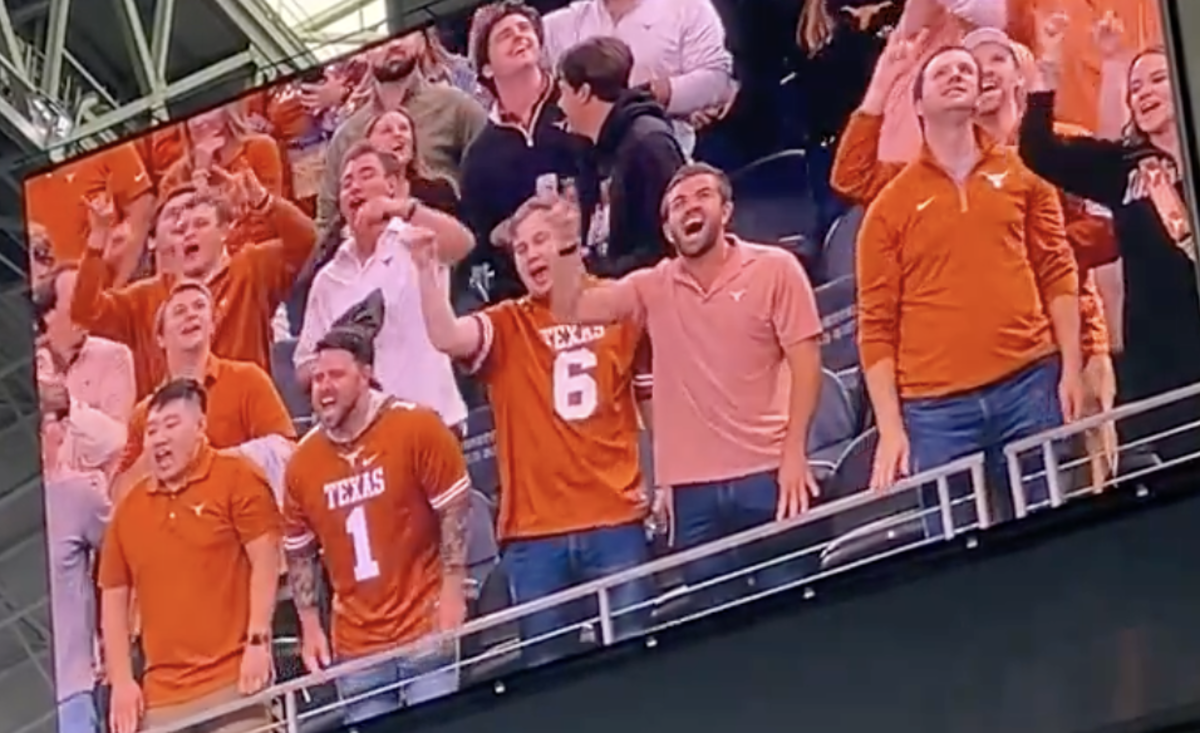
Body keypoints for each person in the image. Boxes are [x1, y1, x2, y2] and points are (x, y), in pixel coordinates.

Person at [829, 29, 1119, 486]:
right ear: (919, 105)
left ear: (1017, 76)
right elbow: (877, 322)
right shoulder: (896, 198)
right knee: (961, 543)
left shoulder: (1038, 162)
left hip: (1038, 374)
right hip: (938, 405)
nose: (968, 72)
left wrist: (1072, 358)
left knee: (1069, 516)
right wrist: (882, 84)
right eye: (946, 69)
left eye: (979, 64)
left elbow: (1064, 263)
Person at [548, 162, 823, 605]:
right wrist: (564, 244)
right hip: (693, 497)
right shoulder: (653, 286)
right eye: (677, 204)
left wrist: (794, 454)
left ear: (727, 209)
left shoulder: (776, 269)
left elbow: (807, 363)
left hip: (768, 474)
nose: (689, 209)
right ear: (668, 229)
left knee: (790, 609)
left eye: (701, 197)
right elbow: (569, 309)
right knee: (716, 632)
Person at [415, 192, 654, 666]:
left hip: (616, 519)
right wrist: (426, 270)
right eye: (520, 249)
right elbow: (446, 336)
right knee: (548, 678)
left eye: (540, 241)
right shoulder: (507, 324)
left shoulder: (619, 306)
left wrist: (659, 478)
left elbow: (651, 397)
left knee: (637, 664)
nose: (530, 256)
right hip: (536, 534)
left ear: (570, 243)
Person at [1019, 15, 1200, 460]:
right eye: (1135, 89)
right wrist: (1049, 71)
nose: (1145, 94)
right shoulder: (1123, 166)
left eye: (1157, 80)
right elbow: (1039, 150)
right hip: (1164, 362)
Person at [282, 328, 470, 727]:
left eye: (336, 375)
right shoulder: (302, 462)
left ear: (366, 375)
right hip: (356, 647)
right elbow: (298, 549)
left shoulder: (417, 426)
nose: (324, 388)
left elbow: (454, 508)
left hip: (424, 627)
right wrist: (311, 627)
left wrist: (453, 590)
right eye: (317, 378)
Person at [98, 378, 281, 733]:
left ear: (201, 427)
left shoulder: (237, 477)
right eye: (151, 431)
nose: (159, 438)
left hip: (234, 682)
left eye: (171, 425)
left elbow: (266, 559)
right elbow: (113, 596)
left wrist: (258, 640)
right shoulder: (128, 510)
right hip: (163, 699)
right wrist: (121, 680)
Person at [70, 168, 318, 385]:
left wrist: (263, 201)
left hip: (240, 418)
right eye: (181, 228)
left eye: (199, 224)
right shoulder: (144, 297)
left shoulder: (251, 268)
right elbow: (85, 312)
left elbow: (309, 244)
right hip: (169, 423)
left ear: (224, 231)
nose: (188, 233)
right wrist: (96, 243)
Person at [295, 142, 472, 430]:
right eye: (347, 183)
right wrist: (340, 357)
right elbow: (304, 366)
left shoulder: (417, 238)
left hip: (433, 423)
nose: (355, 187)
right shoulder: (327, 279)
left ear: (392, 186)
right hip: (365, 437)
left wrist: (401, 209)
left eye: (366, 175)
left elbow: (463, 244)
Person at [459, 0, 593, 307]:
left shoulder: (580, 101)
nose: (519, 36)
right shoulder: (478, 158)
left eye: (524, 28)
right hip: (527, 298)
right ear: (486, 67)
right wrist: (503, 234)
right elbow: (479, 244)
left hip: (599, 270)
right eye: (504, 34)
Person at [116, 280, 295, 483]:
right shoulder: (144, 414)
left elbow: (286, 452)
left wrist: (207, 463)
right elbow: (119, 497)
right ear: (160, 338)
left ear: (212, 326)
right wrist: (152, 458)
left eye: (199, 306)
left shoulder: (248, 379)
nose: (190, 314)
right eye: (179, 311)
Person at [316, 29, 487, 240]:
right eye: (380, 38)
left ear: (421, 41)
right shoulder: (346, 135)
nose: (393, 43)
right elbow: (326, 223)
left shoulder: (457, 107)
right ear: (365, 53)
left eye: (403, 32)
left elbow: (491, 179)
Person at [557, 35, 686, 276]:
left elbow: (666, 247)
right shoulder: (589, 150)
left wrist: (602, 274)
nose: (560, 104)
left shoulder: (649, 145)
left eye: (563, 92)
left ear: (584, 93)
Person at [542, 0, 737, 157]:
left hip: (661, 153)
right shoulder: (566, 22)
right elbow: (523, 56)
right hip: (580, 162)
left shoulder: (688, 8)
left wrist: (658, 93)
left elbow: (715, 77)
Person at [43, 406, 111, 733]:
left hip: (72, 691)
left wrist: (113, 643)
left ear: (61, 428)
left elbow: (120, 564)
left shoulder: (80, 494)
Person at [33, 265, 136, 476]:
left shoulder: (114, 357)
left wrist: (69, 406)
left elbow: (118, 441)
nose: (86, 309)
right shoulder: (22, 366)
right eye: (77, 301)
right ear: (48, 314)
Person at [160, 102, 287, 255]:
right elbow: (178, 240)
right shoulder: (174, 177)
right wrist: (200, 173)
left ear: (227, 110)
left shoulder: (261, 149)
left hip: (258, 255)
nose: (198, 122)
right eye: (191, 115)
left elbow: (269, 221)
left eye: (208, 110)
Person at [24, 142, 155, 285]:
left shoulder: (112, 151)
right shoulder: (30, 189)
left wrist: (117, 285)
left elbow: (142, 212)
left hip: (117, 286)